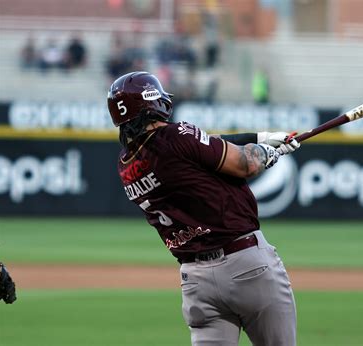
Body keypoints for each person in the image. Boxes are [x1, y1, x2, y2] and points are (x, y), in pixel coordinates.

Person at [107, 71, 300, 345]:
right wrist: (267, 153)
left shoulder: (126, 164)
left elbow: (202, 143)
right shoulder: (177, 137)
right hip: (246, 264)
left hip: (197, 281)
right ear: (152, 101)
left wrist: (261, 136)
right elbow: (246, 164)